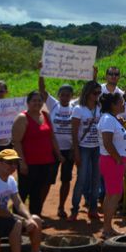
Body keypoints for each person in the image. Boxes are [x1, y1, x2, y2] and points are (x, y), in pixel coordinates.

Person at [11, 91, 61, 217]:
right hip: (29, 163)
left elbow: (52, 137)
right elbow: (16, 142)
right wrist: (22, 162)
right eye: (34, 100)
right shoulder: (22, 118)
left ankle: (34, 220)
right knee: (23, 192)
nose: (37, 103)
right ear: (28, 103)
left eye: (39, 100)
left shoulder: (45, 115)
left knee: (37, 193)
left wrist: (58, 154)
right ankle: (18, 221)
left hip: (45, 162)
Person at [38, 74, 75, 219]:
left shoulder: (75, 106)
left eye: (68, 95)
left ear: (71, 96)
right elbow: (42, 90)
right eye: (62, 95)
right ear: (58, 95)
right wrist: (41, 73)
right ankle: (38, 208)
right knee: (47, 180)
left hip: (69, 151)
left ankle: (61, 208)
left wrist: (93, 76)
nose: (65, 97)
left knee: (66, 180)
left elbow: (88, 92)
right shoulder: (53, 104)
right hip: (53, 149)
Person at [97, 92, 126, 238]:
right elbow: (107, 142)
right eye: (121, 102)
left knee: (112, 194)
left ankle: (108, 227)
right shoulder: (108, 120)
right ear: (113, 105)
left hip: (113, 161)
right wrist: (118, 159)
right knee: (114, 195)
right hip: (112, 161)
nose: (123, 104)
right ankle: (107, 229)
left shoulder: (111, 119)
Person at [70, 79, 101, 222]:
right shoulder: (78, 109)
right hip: (83, 148)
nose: (97, 95)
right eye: (95, 93)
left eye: (99, 93)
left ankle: (93, 209)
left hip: (97, 147)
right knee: (81, 179)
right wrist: (76, 151)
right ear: (87, 93)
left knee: (96, 180)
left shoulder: (100, 107)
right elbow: (74, 132)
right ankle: (74, 210)